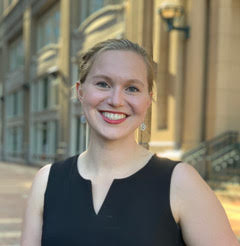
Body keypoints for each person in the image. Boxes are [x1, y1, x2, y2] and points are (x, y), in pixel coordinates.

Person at [21, 39, 239, 246]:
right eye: (103, 84)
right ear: (80, 91)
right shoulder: (46, 181)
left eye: (132, 88)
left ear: (148, 99)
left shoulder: (181, 182)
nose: (116, 100)